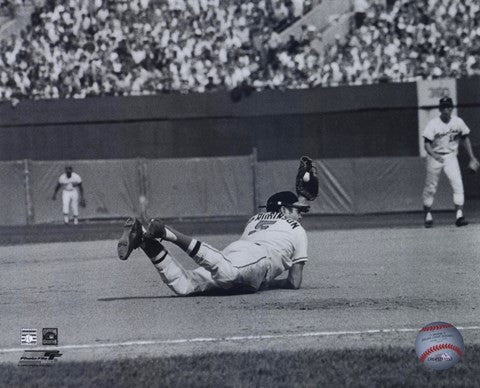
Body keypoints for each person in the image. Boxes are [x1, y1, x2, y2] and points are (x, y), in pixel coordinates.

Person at [117, 191, 310, 296]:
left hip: (238, 253)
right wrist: (272, 283)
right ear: (284, 210)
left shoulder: (255, 219)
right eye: (297, 210)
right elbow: (294, 282)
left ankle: (143, 239)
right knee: (228, 274)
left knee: (185, 285)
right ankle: (167, 233)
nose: (301, 214)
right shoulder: (296, 229)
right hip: (260, 258)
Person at [422, 96, 479, 228]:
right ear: (439, 109)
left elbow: (465, 138)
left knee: (457, 185)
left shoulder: (458, 122)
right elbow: (426, 145)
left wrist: (472, 156)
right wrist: (434, 155)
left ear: (452, 108)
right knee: (430, 188)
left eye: (448, 106)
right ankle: (427, 214)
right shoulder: (433, 123)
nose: (446, 109)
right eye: (443, 107)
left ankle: (459, 215)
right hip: (435, 156)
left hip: (451, 156)